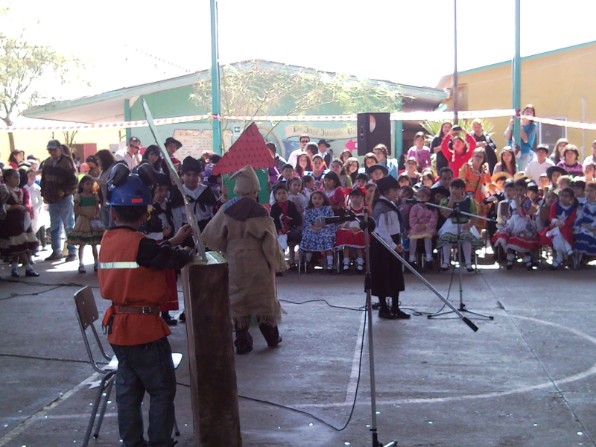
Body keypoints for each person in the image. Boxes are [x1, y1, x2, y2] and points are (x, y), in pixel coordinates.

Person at [98, 170, 193, 447]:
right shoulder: (141, 245)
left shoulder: (108, 240)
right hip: (144, 331)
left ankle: (132, 443)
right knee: (162, 390)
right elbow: (165, 258)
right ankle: (160, 442)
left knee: (128, 392)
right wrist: (186, 252)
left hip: (118, 329)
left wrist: (172, 241)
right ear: (143, 215)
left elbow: (151, 254)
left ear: (113, 213)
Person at [202, 165, 286, 355]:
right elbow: (270, 242)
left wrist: (227, 247)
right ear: (255, 190)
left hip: (235, 263)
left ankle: (242, 341)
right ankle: (272, 337)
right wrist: (277, 263)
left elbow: (212, 235)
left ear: (238, 189)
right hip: (259, 264)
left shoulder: (226, 209)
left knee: (239, 302)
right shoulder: (261, 212)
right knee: (263, 302)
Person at [370, 175, 410, 320]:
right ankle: (384, 308)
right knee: (383, 275)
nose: (397, 193)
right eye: (394, 190)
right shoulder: (380, 207)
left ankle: (395, 307)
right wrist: (393, 245)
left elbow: (395, 226)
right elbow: (381, 230)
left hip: (394, 241)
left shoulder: (391, 204)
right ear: (385, 191)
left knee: (395, 275)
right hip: (383, 244)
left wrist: (399, 242)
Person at [40, 139, 79, 262]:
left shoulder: (67, 162)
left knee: (69, 225)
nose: (52, 152)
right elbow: (43, 180)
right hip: (51, 198)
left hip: (64, 198)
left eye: (54, 150)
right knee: (54, 226)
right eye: (50, 150)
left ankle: (72, 251)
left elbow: (74, 180)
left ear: (60, 149)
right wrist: (43, 193)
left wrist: (65, 191)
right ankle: (56, 251)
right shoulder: (47, 162)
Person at [492, 179, 540, 270]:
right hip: (512, 222)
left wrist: (518, 204)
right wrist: (507, 220)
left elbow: (522, 214)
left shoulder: (527, 200)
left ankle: (527, 260)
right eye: (516, 190)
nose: (518, 192)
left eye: (521, 190)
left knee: (520, 241)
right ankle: (510, 258)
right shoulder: (511, 200)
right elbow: (510, 213)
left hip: (523, 222)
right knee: (505, 237)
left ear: (525, 190)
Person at [0, 168, 39, 277]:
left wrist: (25, 207)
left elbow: (26, 203)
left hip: (22, 220)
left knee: (18, 245)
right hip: (10, 221)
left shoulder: (22, 190)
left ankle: (14, 267)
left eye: (18, 177)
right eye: (15, 177)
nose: (18, 179)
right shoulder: (3, 190)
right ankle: (28, 268)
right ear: (7, 178)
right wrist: (13, 207)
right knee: (18, 244)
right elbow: (2, 206)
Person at [437, 178, 483, 272]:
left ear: (462, 189)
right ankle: (446, 262)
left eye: (456, 188)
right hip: (451, 224)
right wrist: (451, 202)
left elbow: (474, 215)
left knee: (466, 238)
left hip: (464, 224)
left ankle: (468, 263)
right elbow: (445, 214)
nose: (453, 190)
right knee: (446, 238)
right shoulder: (445, 201)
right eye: (452, 188)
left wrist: (469, 225)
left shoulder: (469, 201)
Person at [66, 175, 104, 273]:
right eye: (87, 184)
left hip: (93, 220)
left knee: (94, 244)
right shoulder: (79, 196)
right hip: (83, 221)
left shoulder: (94, 195)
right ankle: (81, 263)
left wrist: (96, 214)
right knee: (82, 244)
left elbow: (97, 207)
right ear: (82, 185)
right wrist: (86, 214)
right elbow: (76, 209)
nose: (89, 186)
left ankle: (96, 262)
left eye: (91, 184)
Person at [171, 156, 216, 234]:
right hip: (187, 231)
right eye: (188, 175)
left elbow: (213, 213)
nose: (191, 178)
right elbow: (177, 218)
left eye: (195, 175)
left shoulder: (206, 190)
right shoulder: (178, 193)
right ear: (182, 175)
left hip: (207, 228)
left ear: (198, 175)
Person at [540, 187, 578, 269]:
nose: (563, 198)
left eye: (566, 196)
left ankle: (559, 257)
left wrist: (562, 224)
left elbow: (571, 220)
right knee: (557, 232)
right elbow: (551, 217)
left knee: (559, 233)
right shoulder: (555, 205)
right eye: (562, 195)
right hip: (554, 226)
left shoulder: (572, 209)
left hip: (566, 228)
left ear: (571, 198)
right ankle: (568, 251)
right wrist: (556, 222)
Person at [300, 190, 337, 271]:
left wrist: (322, 227)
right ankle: (308, 262)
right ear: (311, 199)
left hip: (325, 228)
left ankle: (330, 263)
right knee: (308, 236)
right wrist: (313, 227)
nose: (317, 200)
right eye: (315, 198)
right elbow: (307, 222)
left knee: (327, 236)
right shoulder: (308, 210)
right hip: (311, 228)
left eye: (319, 198)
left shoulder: (328, 209)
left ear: (324, 200)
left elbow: (331, 221)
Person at [270, 183, 302, 270]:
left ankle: (292, 261)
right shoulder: (274, 207)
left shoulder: (292, 205)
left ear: (288, 194)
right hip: (279, 230)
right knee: (279, 240)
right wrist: (280, 229)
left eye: (284, 193)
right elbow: (273, 221)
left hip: (291, 229)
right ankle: (280, 263)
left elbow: (297, 219)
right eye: (279, 193)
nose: (282, 195)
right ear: (275, 196)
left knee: (295, 235)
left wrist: (290, 223)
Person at [459, 148, 491, 230]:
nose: (478, 158)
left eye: (481, 156)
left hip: (480, 198)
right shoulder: (466, 167)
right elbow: (461, 182)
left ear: (483, 159)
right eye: (476, 155)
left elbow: (488, 185)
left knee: (479, 224)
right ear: (472, 156)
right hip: (467, 196)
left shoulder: (484, 170)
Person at [335, 187, 366, 272]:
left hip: (360, 229)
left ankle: (360, 261)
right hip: (348, 228)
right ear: (350, 197)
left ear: (362, 198)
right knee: (346, 239)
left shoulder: (364, 210)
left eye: (357, 197)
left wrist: (359, 228)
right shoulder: (347, 209)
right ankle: (346, 261)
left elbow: (366, 222)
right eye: (353, 197)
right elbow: (342, 222)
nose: (355, 199)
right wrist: (349, 228)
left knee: (360, 238)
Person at [408, 186, 438, 270]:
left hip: (428, 227)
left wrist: (425, 226)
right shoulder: (414, 208)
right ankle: (411, 258)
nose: (421, 198)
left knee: (427, 237)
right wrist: (416, 226)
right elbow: (412, 219)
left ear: (428, 197)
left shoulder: (432, 208)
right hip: (417, 227)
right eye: (419, 196)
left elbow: (433, 220)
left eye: (423, 196)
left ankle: (429, 258)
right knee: (413, 238)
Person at [504, 104, 538, 171]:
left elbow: (526, 139)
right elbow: (507, 137)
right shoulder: (514, 122)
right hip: (510, 152)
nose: (528, 113)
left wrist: (519, 126)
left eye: (530, 112)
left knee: (520, 171)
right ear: (523, 112)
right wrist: (510, 125)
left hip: (523, 153)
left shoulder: (532, 126)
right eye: (527, 111)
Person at [573, 180, 596, 265]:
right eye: (587, 191)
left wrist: (593, 227)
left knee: (589, 234)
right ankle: (578, 258)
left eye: (591, 191)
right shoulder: (582, 205)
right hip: (583, 226)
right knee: (581, 233)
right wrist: (581, 225)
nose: (589, 193)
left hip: (594, 227)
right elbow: (579, 217)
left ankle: (586, 257)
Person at [95, 149, 116, 229]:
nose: (97, 161)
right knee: (106, 226)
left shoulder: (113, 168)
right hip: (104, 202)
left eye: (98, 159)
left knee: (112, 226)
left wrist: (98, 181)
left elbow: (111, 181)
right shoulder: (103, 170)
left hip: (111, 202)